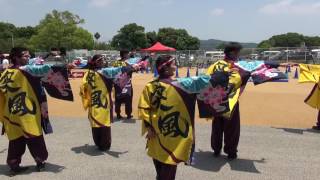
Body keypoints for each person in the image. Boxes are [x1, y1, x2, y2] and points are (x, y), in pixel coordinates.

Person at [138, 55, 232, 180]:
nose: (175, 66)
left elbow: (144, 108)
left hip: (155, 131)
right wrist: (222, 75)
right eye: (173, 64)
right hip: (172, 133)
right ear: (166, 68)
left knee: (159, 161)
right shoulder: (182, 84)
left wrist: (149, 127)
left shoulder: (150, 85)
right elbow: (203, 80)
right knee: (168, 163)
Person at [0, 47, 74, 175]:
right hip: (28, 111)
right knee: (34, 136)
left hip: (12, 112)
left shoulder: (6, 72)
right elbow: (45, 69)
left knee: (16, 139)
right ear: (16, 57)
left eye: (29, 55)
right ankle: (40, 161)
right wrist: (64, 65)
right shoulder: (28, 70)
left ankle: (14, 164)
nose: (28, 58)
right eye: (25, 56)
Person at [80, 54, 146, 151]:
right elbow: (119, 70)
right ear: (97, 62)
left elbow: (83, 88)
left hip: (93, 102)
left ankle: (98, 142)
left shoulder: (88, 74)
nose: (103, 62)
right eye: (101, 60)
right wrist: (132, 68)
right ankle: (104, 144)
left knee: (95, 123)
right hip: (103, 100)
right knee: (104, 123)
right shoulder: (104, 72)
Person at [206, 42, 243, 160]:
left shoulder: (215, 65)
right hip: (230, 101)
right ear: (232, 53)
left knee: (217, 125)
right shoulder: (234, 66)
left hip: (215, 100)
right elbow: (236, 80)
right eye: (237, 53)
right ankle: (231, 151)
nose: (238, 55)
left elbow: (206, 79)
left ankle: (216, 149)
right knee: (232, 127)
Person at [112, 50, 134, 119]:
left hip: (118, 83)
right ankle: (128, 114)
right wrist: (133, 69)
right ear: (124, 54)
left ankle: (118, 114)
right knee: (128, 98)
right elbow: (126, 71)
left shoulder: (117, 63)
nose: (128, 55)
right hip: (126, 83)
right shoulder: (125, 63)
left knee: (118, 98)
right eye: (127, 54)